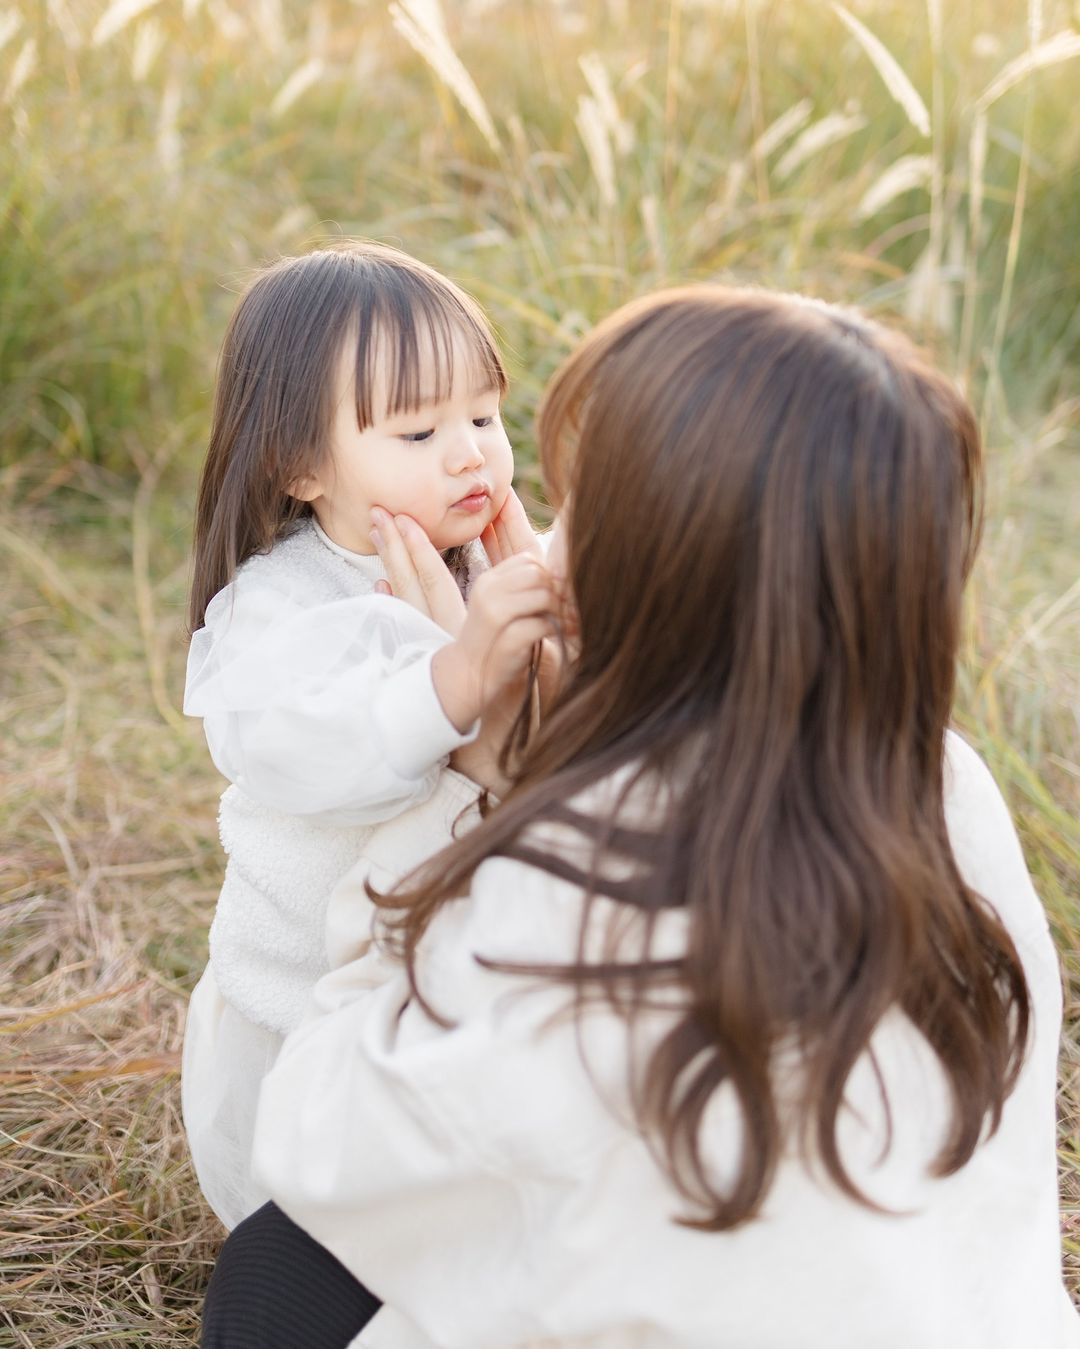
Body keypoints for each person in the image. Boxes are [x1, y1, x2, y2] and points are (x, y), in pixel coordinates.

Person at [206, 286, 1079, 1348]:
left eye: (581, 506)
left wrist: (483, 793)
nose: (538, 540)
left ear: (662, 566)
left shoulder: (584, 861)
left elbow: (321, 1142)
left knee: (271, 1270)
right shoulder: (941, 780)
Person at [182, 241, 554, 1231]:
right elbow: (291, 745)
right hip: (308, 1015)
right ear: (301, 464)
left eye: (485, 415)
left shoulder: (491, 555)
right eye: (419, 429)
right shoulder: (282, 605)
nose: (470, 453)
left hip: (457, 993)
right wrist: (451, 679)